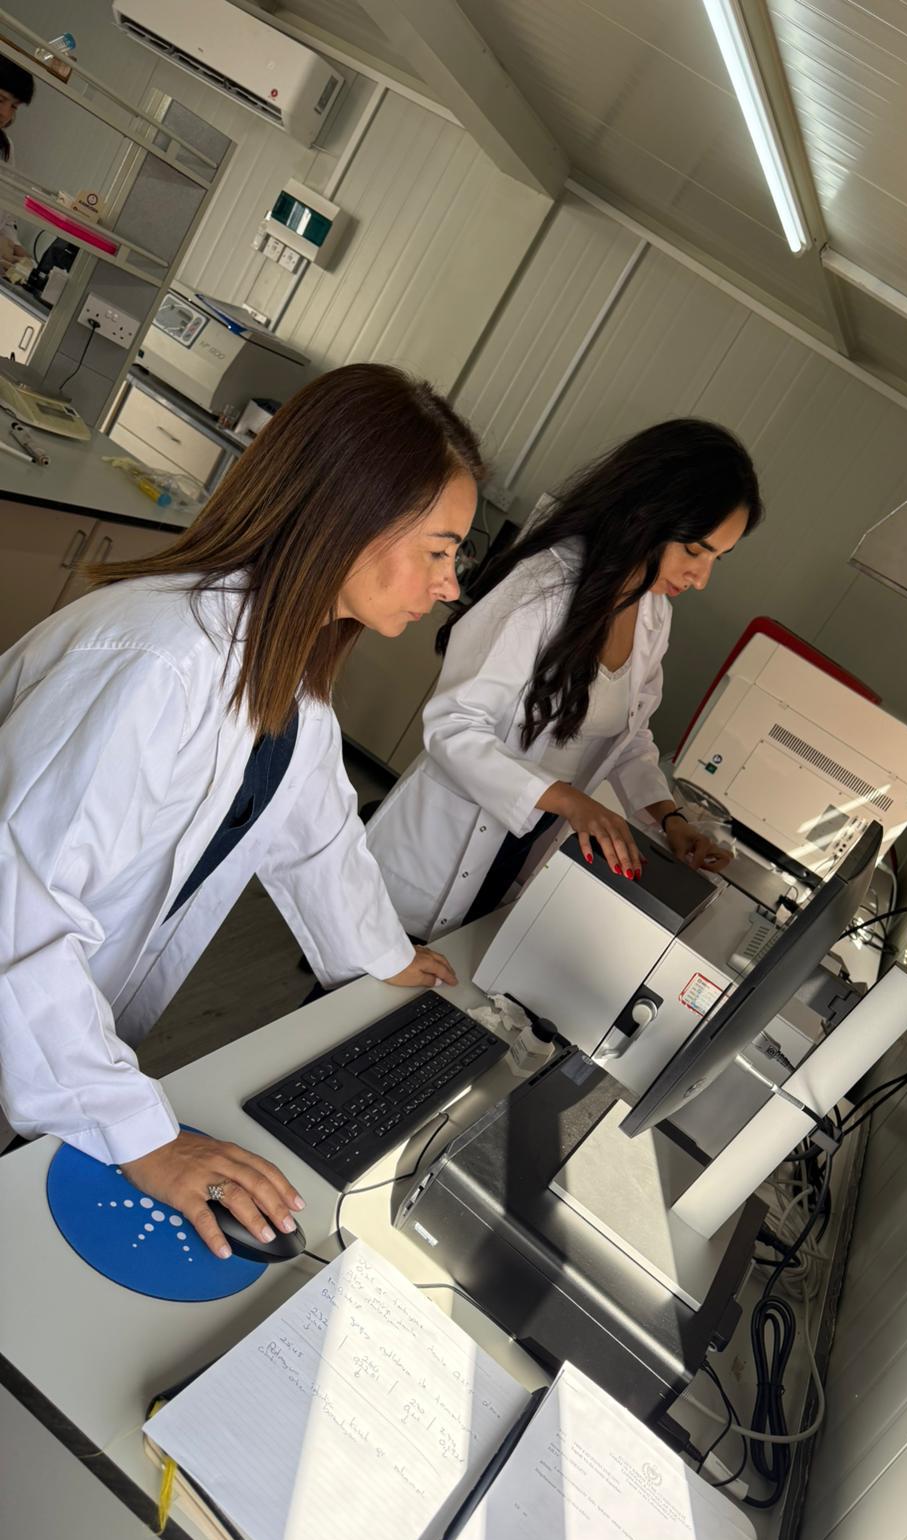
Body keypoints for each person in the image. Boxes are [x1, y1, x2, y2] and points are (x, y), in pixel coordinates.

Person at [0, 364, 477, 1258]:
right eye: (439, 551)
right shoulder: (158, 665)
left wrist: (384, 961)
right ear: (350, 521)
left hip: (45, 1037)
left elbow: (318, 840)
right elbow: (13, 916)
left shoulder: (284, 670)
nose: (450, 586)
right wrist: (145, 1138)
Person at [365, 418, 762, 942]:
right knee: (368, 984)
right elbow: (453, 726)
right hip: (440, 849)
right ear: (648, 512)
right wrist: (571, 802)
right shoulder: (545, 582)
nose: (701, 577)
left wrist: (670, 819)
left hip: (520, 848)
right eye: (695, 550)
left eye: (717, 559)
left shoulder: (652, 613)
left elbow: (628, 738)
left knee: (446, 976)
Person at [0, 53, 35, 272]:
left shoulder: (6, 148)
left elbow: (6, 213)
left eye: (14, 106)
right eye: (0, 100)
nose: (5, 113)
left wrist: (15, 245)